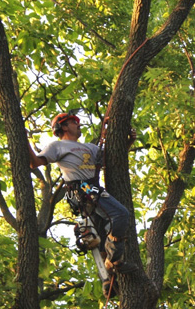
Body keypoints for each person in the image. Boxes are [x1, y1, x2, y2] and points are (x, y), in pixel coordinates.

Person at [28, 112, 136, 276]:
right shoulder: (57, 146)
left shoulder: (91, 147)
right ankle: (114, 259)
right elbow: (34, 163)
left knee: (106, 229)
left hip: (93, 188)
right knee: (121, 214)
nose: (78, 124)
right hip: (82, 189)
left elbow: (110, 161)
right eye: (73, 122)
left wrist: (129, 142)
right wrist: (24, 141)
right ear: (63, 126)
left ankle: (108, 278)